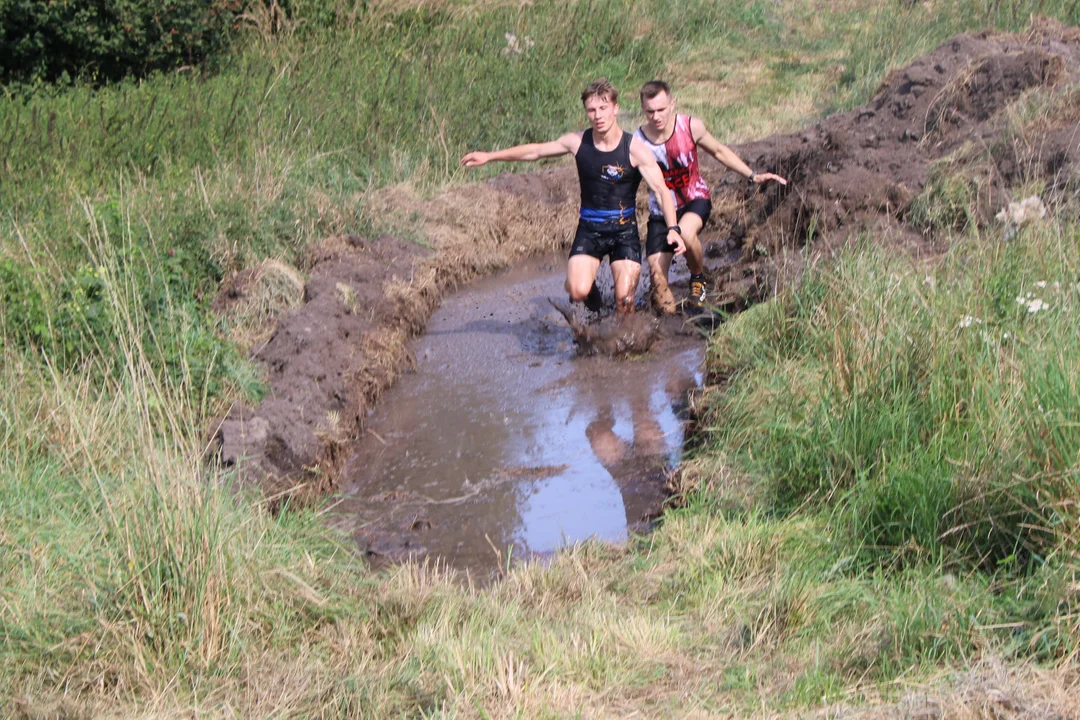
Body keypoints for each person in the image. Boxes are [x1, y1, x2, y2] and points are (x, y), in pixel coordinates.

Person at [460, 78, 685, 315]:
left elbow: (661, 190)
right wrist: (490, 156)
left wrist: (673, 228)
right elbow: (535, 151)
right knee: (577, 291)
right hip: (589, 230)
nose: (598, 115)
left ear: (616, 109)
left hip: (624, 232)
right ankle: (593, 299)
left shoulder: (635, 148)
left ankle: (624, 345)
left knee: (625, 301)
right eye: (592, 110)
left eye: (603, 108)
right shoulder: (577, 142)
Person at [634, 80, 788, 313]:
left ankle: (697, 278)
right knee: (657, 276)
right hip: (661, 213)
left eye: (661, 110)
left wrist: (752, 175)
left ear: (672, 104)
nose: (656, 116)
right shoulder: (637, 141)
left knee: (685, 233)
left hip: (694, 199)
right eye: (650, 111)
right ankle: (671, 328)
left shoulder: (690, 126)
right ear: (643, 110)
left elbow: (718, 151)